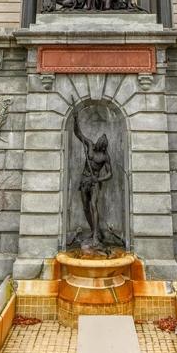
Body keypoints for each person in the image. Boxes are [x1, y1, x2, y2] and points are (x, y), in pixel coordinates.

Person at [72, 100, 113, 248]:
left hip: (95, 182)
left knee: (93, 206)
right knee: (85, 207)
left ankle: (96, 235)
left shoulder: (104, 157)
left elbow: (110, 174)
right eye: (98, 142)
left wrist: (99, 178)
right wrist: (75, 120)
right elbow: (78, 133)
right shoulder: (89, 144)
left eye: (101, 144)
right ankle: (93, 230)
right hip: (84, 180)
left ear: (104, 147)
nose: (98, 144)